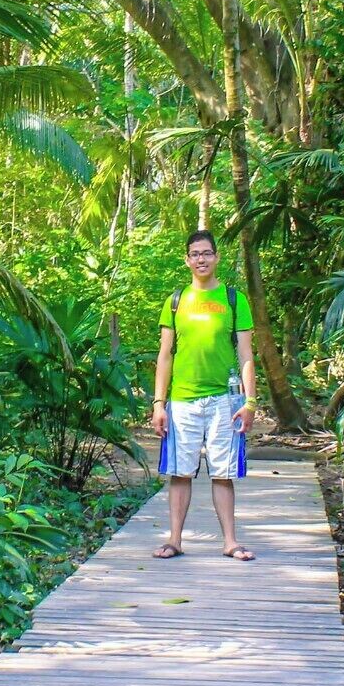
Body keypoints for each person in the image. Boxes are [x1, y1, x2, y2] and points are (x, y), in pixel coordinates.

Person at [148, 227, 258, 561]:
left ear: (216, 257)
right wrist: (158, 403)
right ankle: (175, 540)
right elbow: (165, 354)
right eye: (195, 254)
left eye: (206, 253)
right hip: (181, 401)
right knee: (180, 472)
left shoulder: (233, 299)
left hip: (225, 401)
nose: (201, 259)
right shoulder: (176, 301)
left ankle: (230, 541)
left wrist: (250, 400)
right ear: (187, 260)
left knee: (223, 473)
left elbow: (246, 354)